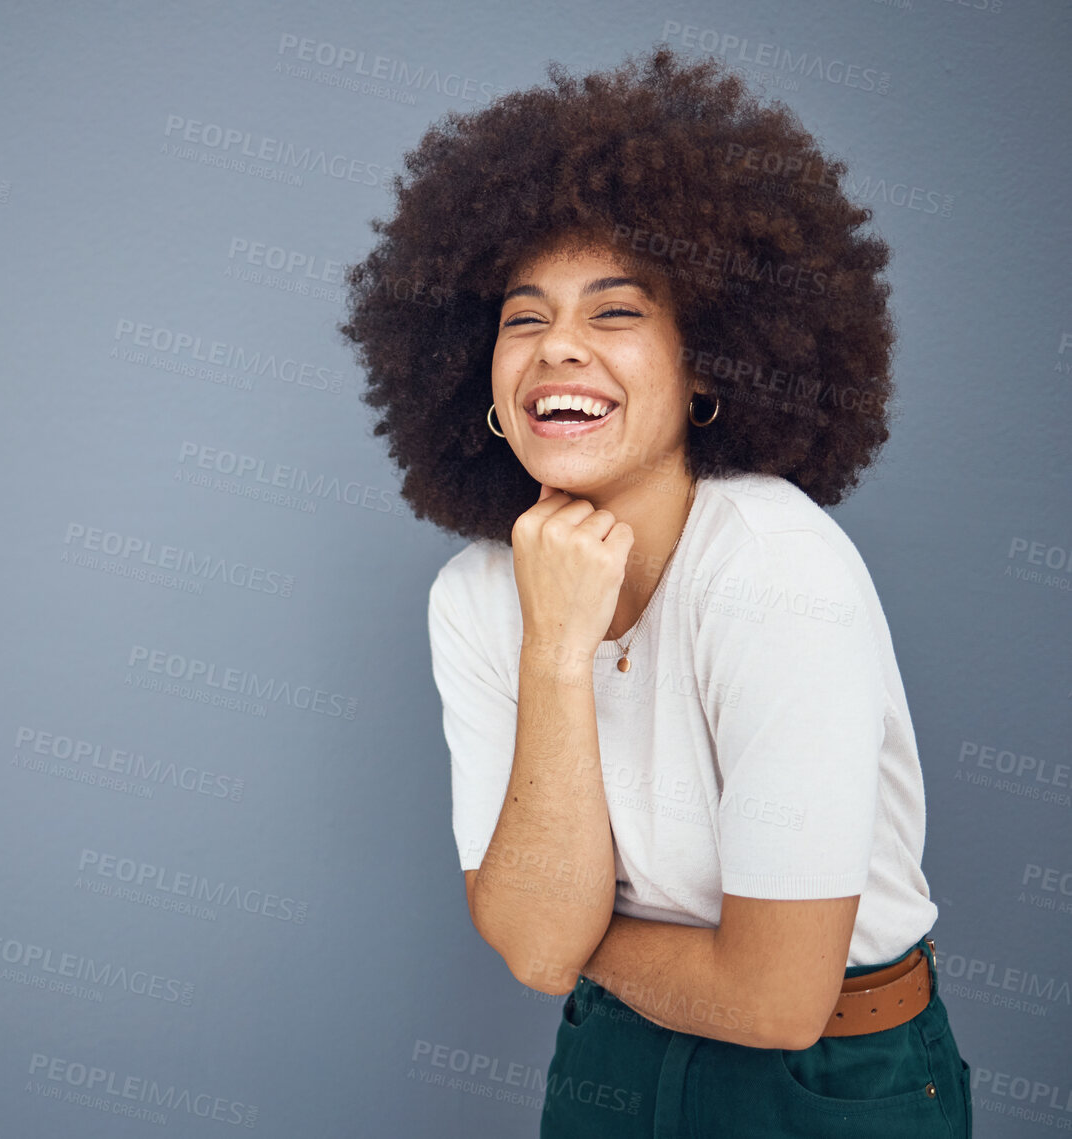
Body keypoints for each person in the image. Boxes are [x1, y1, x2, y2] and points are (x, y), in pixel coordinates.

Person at [338, 44, 971, 1138]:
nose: (557, 351)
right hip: (609, 1054)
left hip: (832, 1075)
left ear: (708, 361)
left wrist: (575, 941)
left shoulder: (780, 570)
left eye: (615, 313)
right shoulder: (475, 595)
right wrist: (554, 647)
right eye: (523, 317)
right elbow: (537, 951)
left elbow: (774, 998)